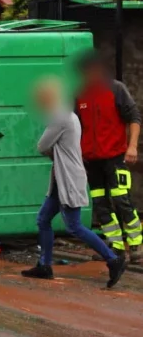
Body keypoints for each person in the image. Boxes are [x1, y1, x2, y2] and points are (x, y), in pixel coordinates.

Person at [23, 77, 126, 287]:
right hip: (61, 179)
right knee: (43, 219)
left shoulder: (60, 117)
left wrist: (51, 152)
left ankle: (113, 260)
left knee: (74, 226)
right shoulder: (67, 114)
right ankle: (44, 265)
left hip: (68, 178)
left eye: (42, 98)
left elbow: (42, 146)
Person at [75, 51, 143, 263]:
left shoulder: (116, 89)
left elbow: (134, 117)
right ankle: (115, 246)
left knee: (122, 200)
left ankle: (136, 244)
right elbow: (75, 126)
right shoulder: (80, 95)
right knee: (101, 204)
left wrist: (132, 147)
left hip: (115, 157)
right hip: (92, 160)